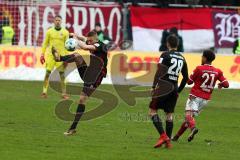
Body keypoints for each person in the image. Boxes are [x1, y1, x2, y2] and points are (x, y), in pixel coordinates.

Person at [51, 31, 108, 136]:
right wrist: (76, 36)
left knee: (82, 99)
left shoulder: (101, 46)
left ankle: (72, 128)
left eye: (89, 41)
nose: (88, 41)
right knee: (77, 56)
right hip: (88, 71)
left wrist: (75, 41)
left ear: (94, 39)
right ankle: (59, 58)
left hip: (96, 76)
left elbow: (86, 47)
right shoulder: (92, 41)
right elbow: (84, 39)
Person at [172, 50, 229, 142]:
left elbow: (189, 82)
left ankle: (193, 128)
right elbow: (226, 84)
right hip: (205, 100)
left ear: (205, 58)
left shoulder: (199, 69)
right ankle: (176, 137)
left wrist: (190, 76)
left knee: (188, 116)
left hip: (195, 96)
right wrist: (220, 84)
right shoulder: (217, 71)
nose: (201, 58)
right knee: (189, 119)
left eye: (202, 56)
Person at [149, 35, 189, 148]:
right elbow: (186, 77)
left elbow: (159, 71)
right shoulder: (182, 58)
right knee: (169, 115)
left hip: (163, 86)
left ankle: (163, 136)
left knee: (152, 112)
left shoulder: (165, 55)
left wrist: (153, 86)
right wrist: (178, 90)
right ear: (177, 45)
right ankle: (168, 143)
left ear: (167, 44)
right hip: (174, 88)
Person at [40, 15, 69, 99]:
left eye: (59, 20)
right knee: (47, 73)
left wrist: (67, 58)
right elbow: (45, 43)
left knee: (62, 75)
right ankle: (44, 92)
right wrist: (42, 54)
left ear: (61, 21)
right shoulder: (49, 31)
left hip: (61, 56)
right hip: (51, 56)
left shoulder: (65, 32)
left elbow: (67, 46)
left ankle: (64, 93)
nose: (57, 21)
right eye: (56, 20)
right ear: (54, 21)